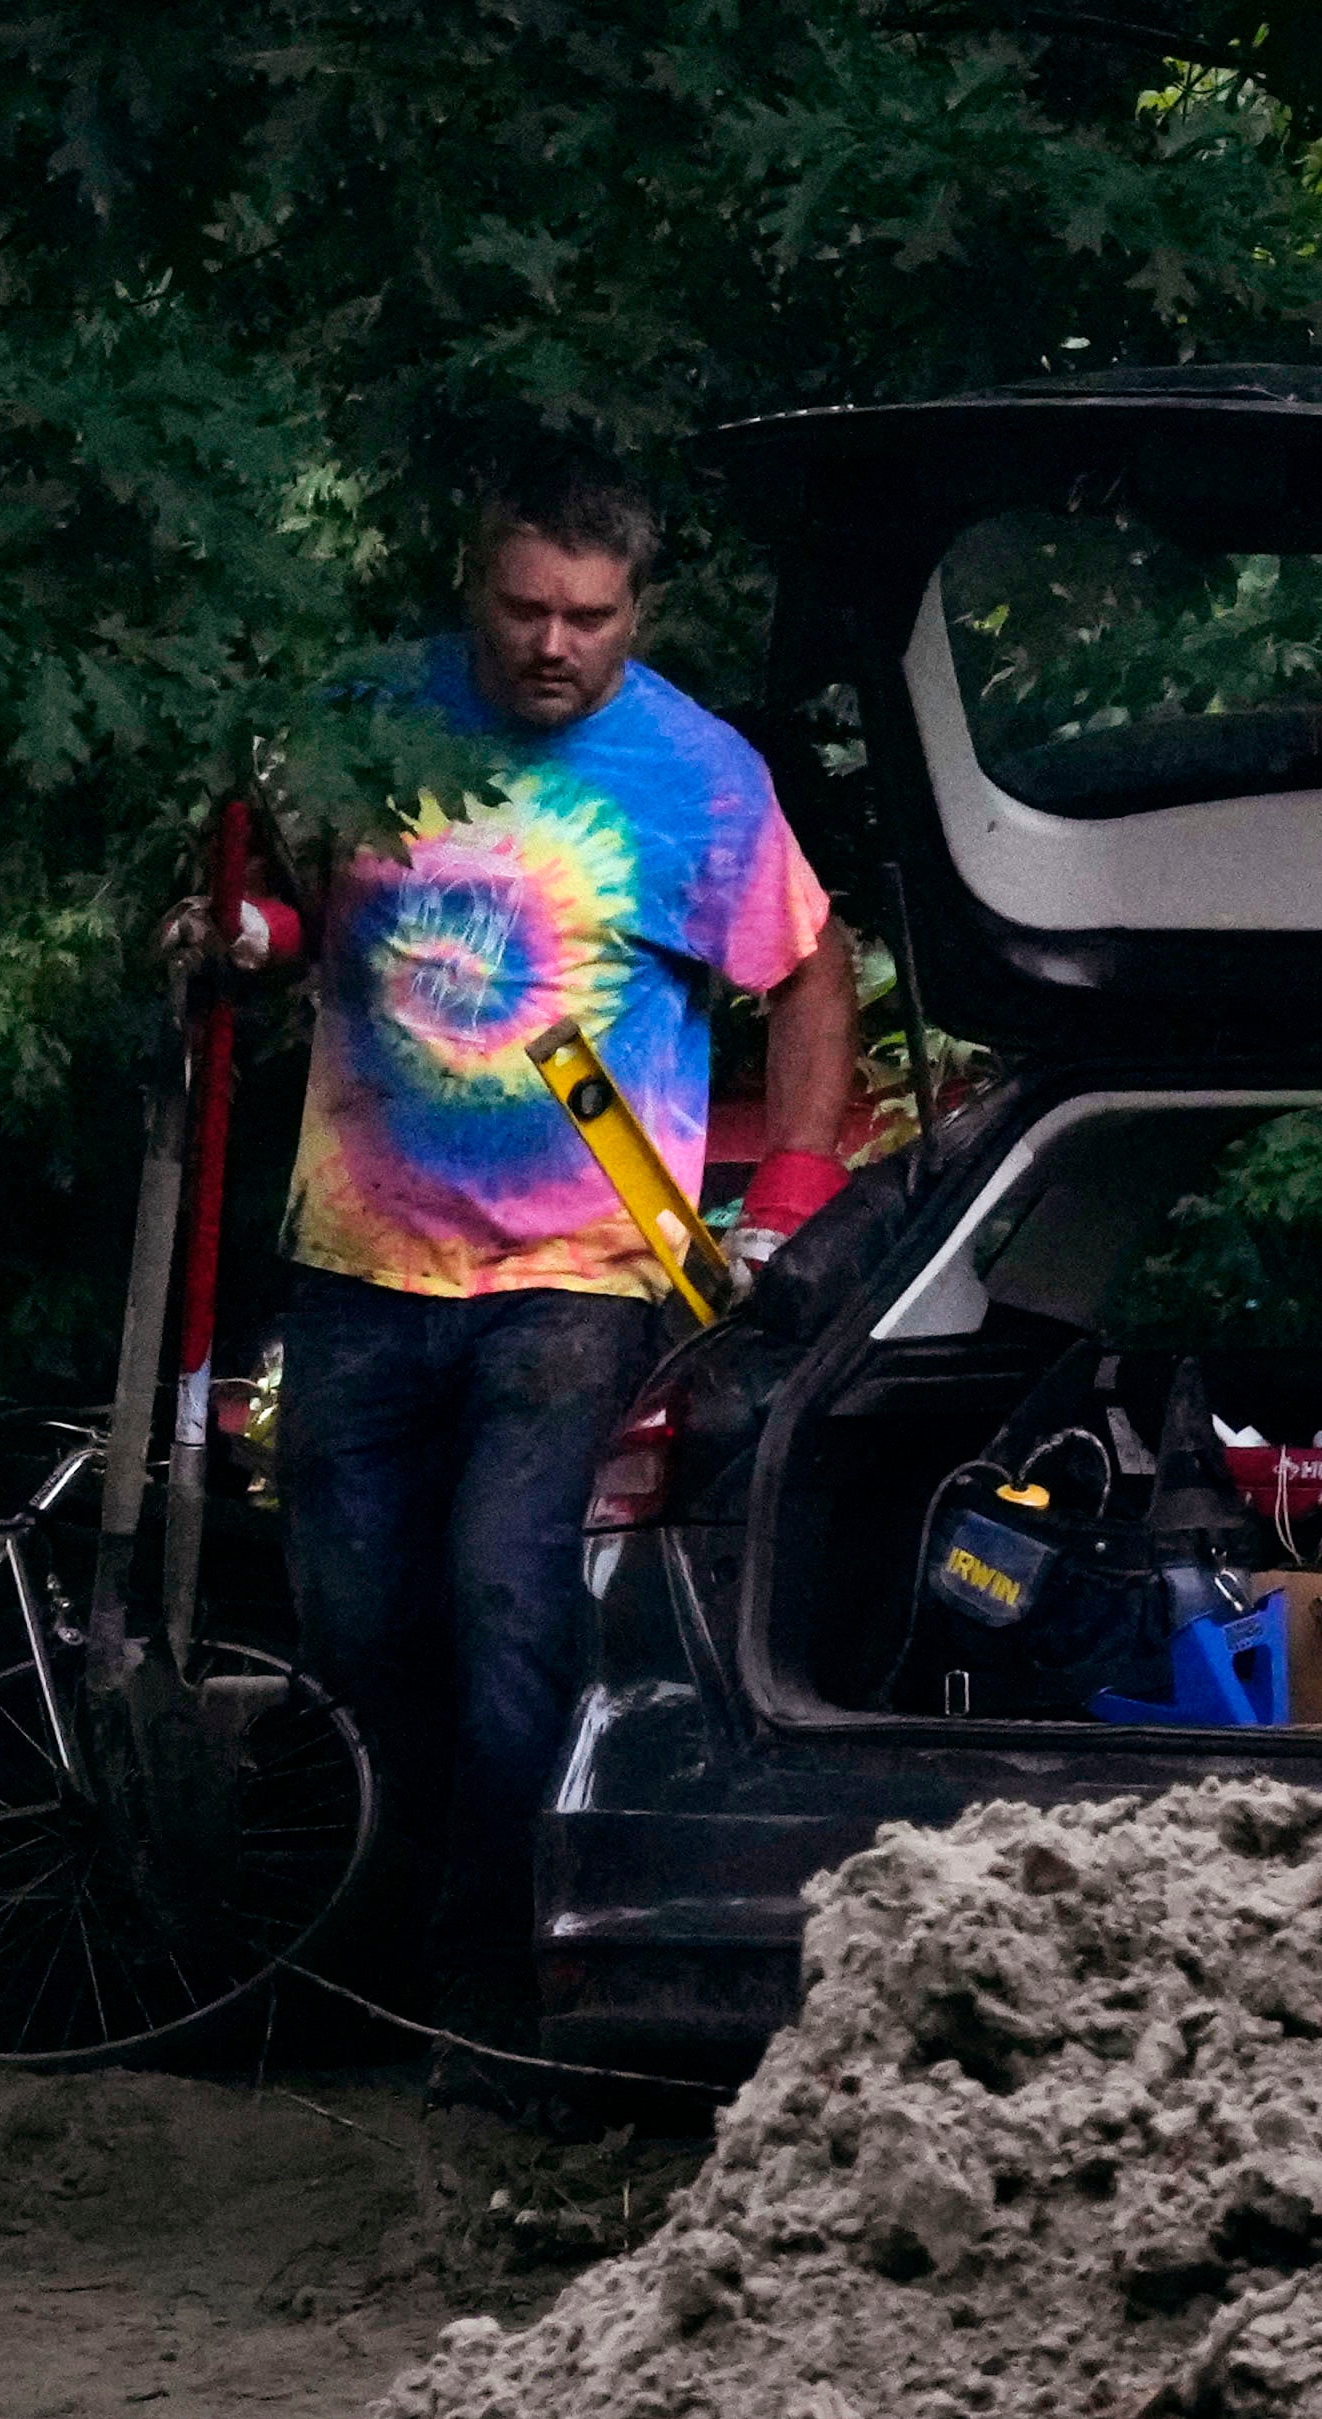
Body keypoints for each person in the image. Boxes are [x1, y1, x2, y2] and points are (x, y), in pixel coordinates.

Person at [272, 437, 853, 2046]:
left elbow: (810, 970)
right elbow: (284, 901)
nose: (551, 645)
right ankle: (361, 1955)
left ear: (636, 612)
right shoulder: (361, 718)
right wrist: (243, 934)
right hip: (355, 1259)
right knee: (351, 1622)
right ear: (476, 586)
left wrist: (789, 1197)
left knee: (513, 1609)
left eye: (588, 618)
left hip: (579, 1278)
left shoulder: (702, 774)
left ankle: (490, 1984)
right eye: (524, 608)